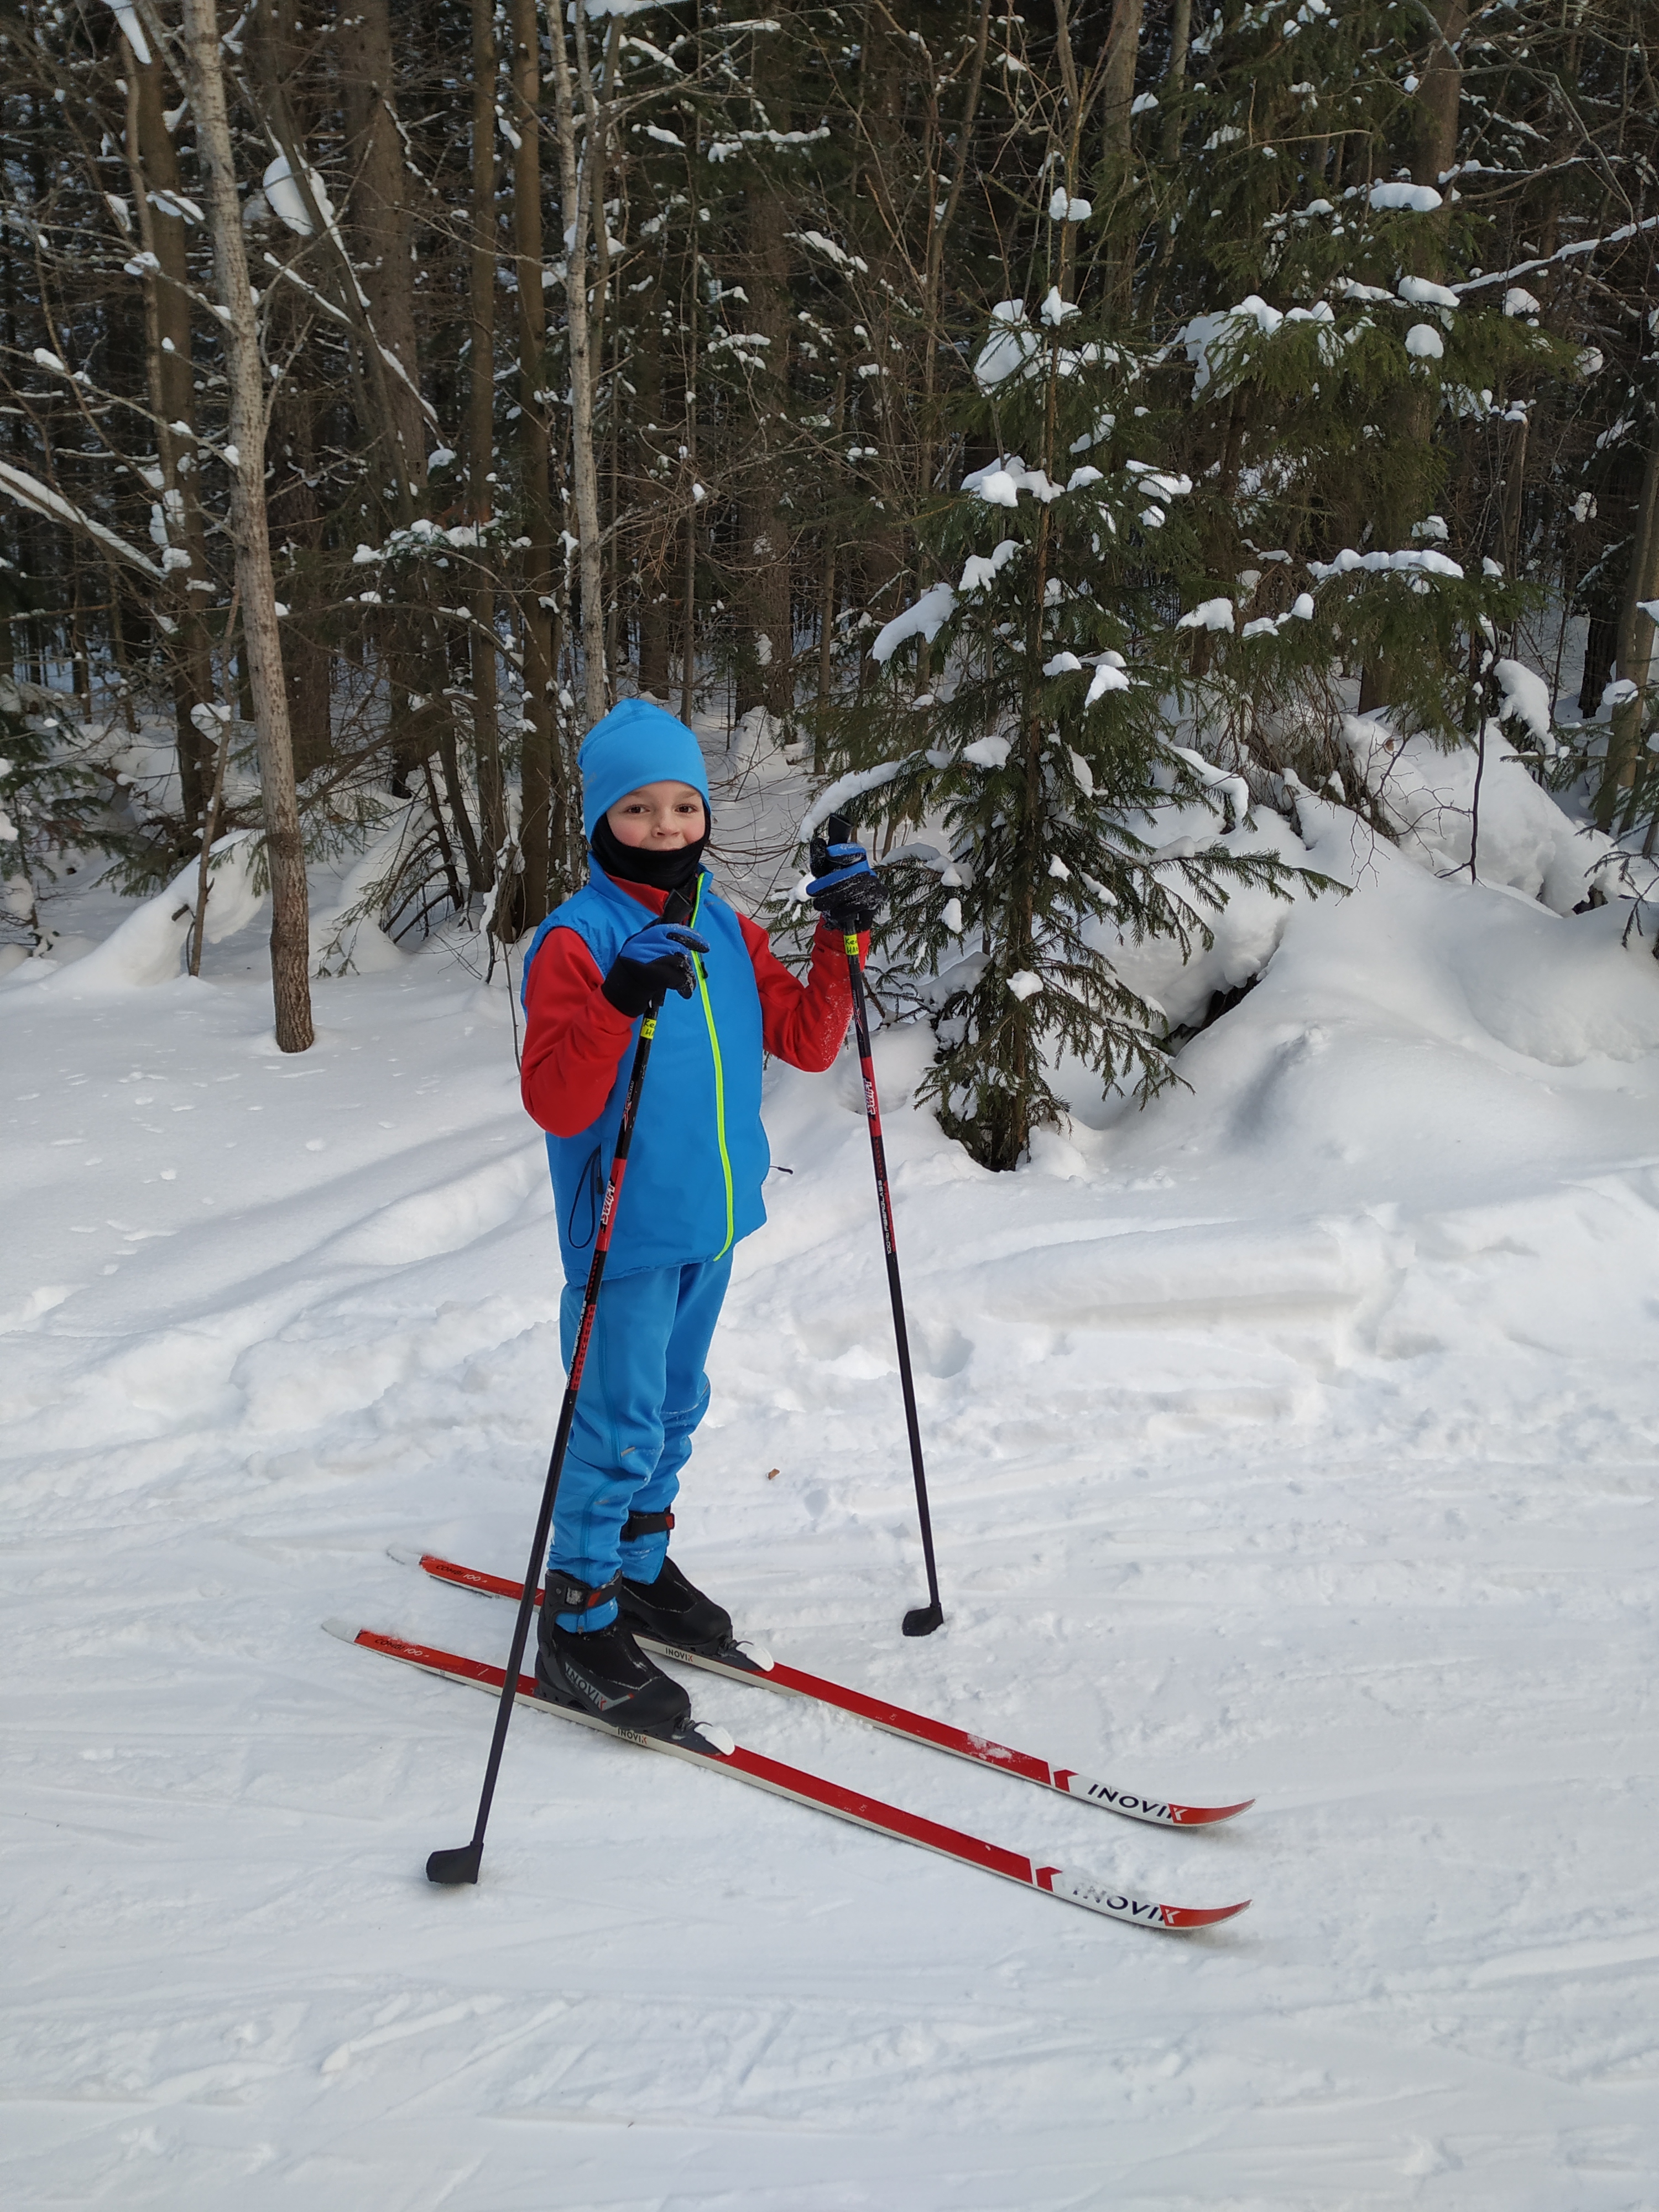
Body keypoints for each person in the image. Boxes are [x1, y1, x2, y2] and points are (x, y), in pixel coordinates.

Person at [519, 698, 885, 1738]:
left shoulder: (725, 924)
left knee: (677, 1410)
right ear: (600, 821)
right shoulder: (576, 940)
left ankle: (635, 1572)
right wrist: (618, 1000)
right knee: (617, 1425)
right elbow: (556, 1101)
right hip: (624, 1238)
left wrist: (840, 930)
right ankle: (579, 1617)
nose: (669, 826)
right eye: (640, 809)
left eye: (685, 804)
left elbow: (808, 1043)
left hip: (713, 1224)